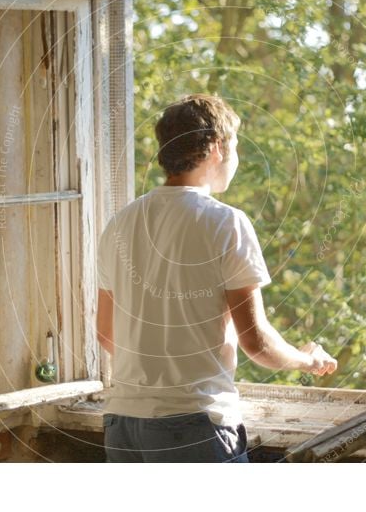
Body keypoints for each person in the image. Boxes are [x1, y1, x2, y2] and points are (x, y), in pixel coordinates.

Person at [96, 93, 337, 463]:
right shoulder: (226, 223)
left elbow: (106, 334)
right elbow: (256, 343)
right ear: (217, 147)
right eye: (237, 146)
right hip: (194, 427)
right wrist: (307, 360)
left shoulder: (119, 224)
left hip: (124, 426)